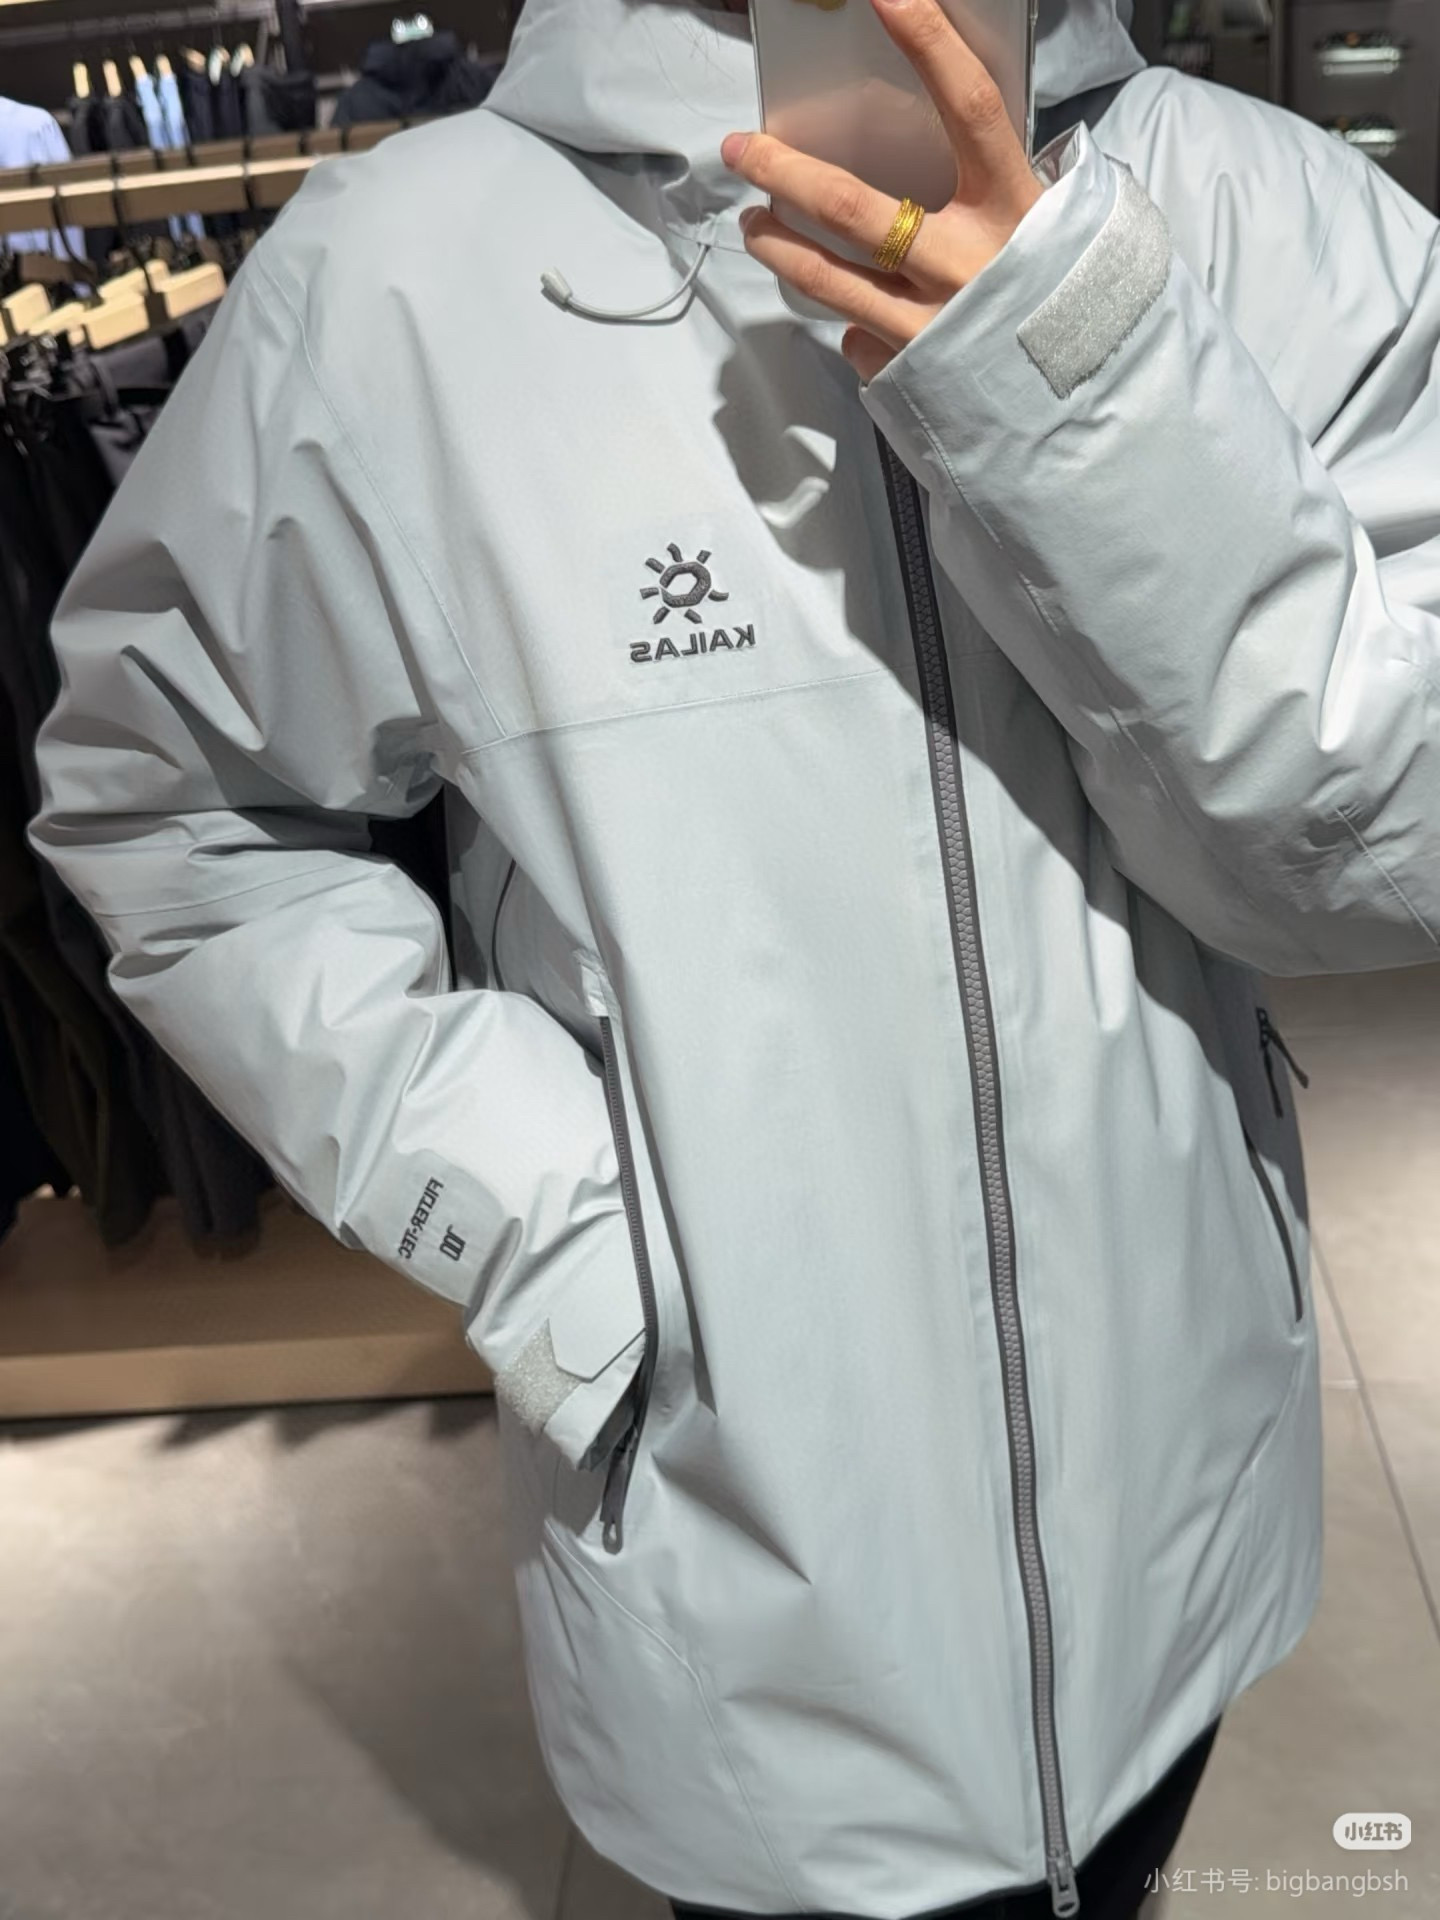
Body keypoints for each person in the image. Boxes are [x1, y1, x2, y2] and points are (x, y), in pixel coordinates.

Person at [26, 0, 1440, 1914]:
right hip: (750, 1589)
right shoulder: (395, 284)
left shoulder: (1274, 213)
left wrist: (1072, 371)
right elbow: (179, 808)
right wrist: (556, 1236)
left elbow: (1376, 858)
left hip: (1182, 1485)